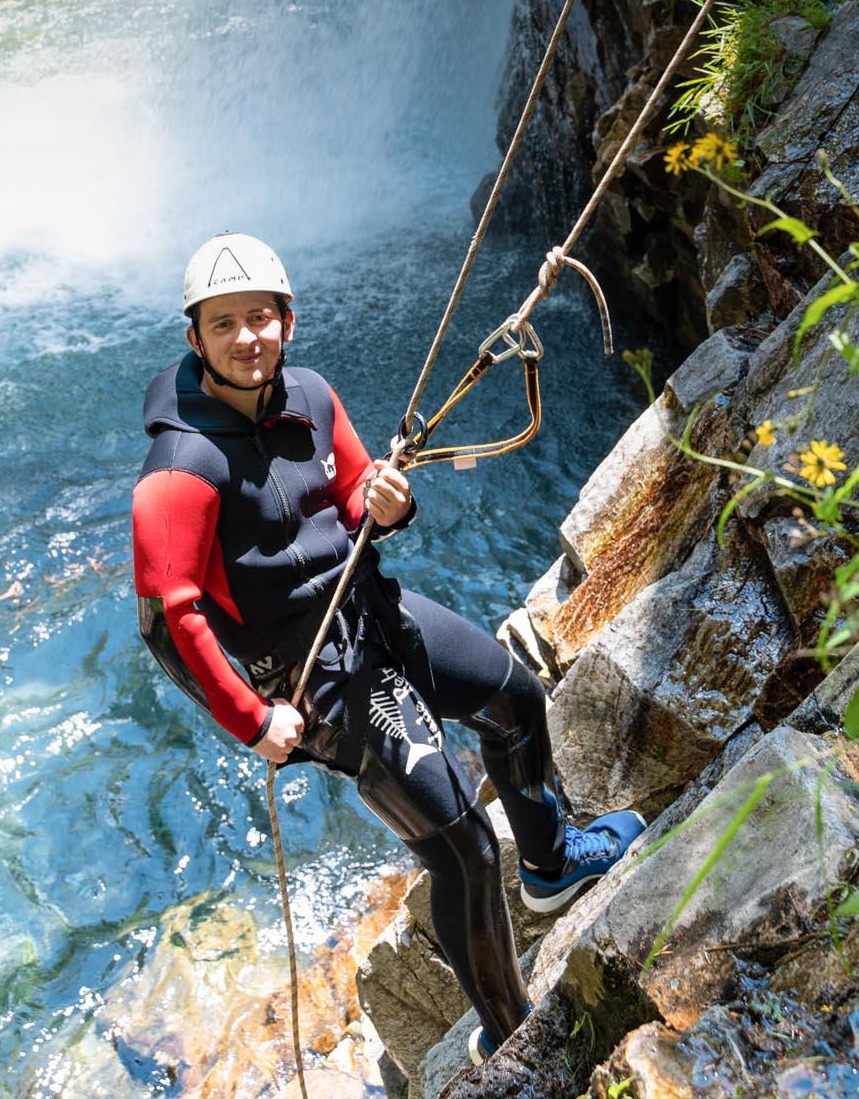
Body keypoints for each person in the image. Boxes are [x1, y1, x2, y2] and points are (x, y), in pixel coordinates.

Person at [132, 232, 643, 1062]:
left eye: (258, 317)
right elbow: (167, 617)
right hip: (320, 680)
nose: (245, 338)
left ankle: (551, 865)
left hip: (372, 615)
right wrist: (250, 719)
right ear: (194, 339)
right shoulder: (179, 467)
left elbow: (361, 498)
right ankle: (511, 1037)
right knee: (465, 852)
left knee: (514, 698)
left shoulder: (311, 396)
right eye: (222, 324)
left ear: (287, 321)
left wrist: (391, 503)